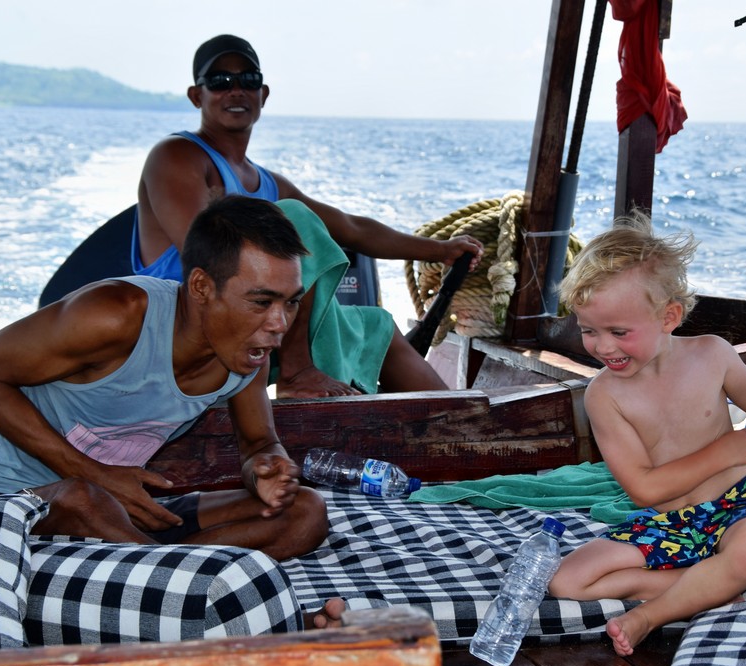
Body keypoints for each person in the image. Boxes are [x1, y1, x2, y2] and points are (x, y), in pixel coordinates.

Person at [0, 197, 339, 607]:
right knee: (84, 498)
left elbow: (259, 444)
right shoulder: (115, 314)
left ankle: (158, 568)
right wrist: (94, 473)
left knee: (305, 512)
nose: (279, 324)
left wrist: (267, 468)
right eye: (262, 302)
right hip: (6, 503)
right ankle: (181, 579)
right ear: (202, 287)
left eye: (291, 302)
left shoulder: (249, 351)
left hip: (117, 514)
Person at [133, 34, 483, 398]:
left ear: (263, 94)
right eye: (220, 82)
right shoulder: (176, 156)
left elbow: (351, 228)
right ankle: (297, 373)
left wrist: (440, 250)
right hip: (185, 322)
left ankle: (461, 426)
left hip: (255, 316)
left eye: (248, 81)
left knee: (376, 328)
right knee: (294, 218)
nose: (235, 90)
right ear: (196, 96)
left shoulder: (269, 183)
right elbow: (202, 251)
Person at [546, 211, 746, 656]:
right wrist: (723, 453)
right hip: (667, 523)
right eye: (589, 331)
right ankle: (709, 586)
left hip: (734, 507)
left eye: (619, 332)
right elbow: (644, 489)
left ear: (668, 317)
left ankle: (651, 613)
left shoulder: (712, 354)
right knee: (564, 581)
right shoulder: (603, 396)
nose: (603, 346)